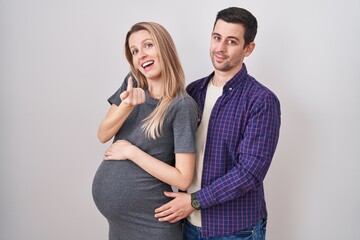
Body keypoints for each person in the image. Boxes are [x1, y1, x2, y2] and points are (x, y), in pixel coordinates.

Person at [154, 7, 281, 240]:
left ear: (248, 48)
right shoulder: (193, 92)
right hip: (187, 223)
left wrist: (194, 201)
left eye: (231, 41)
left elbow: (249, 173)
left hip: (234, 230)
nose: (220, 48)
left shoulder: (261, 100)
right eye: (216, 38)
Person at [92, 22, 199, 240]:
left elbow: (183, 179)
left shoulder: (182, 106)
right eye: (135, 51)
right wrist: (127, 106)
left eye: (148, 45)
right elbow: (102, 134)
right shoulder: (131, 84)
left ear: (164, 47)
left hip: (152, 224)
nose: (141, 55)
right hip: (119, 225)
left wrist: (131, 152)